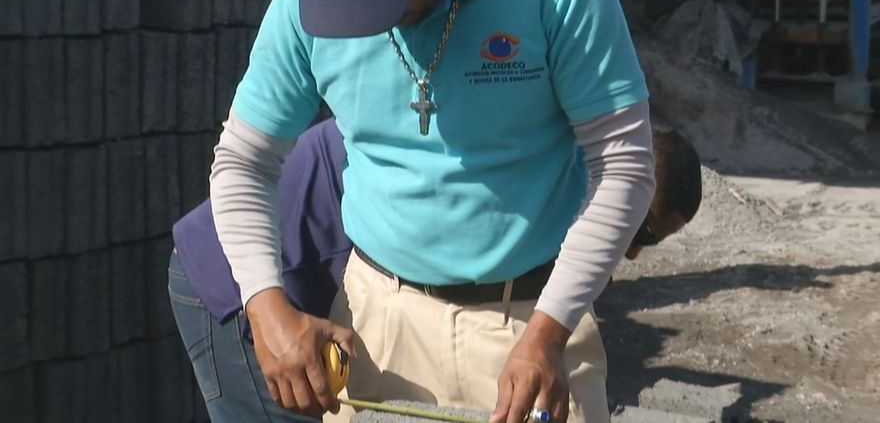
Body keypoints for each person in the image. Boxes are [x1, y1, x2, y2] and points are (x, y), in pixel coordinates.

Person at [208, 0, 658, 422]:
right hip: (376, 325)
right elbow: (243, 162)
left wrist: (549, 330)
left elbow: (624, 166)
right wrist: (263, 304)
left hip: (529, 325)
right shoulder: (306, 0)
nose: (364, 18)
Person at [170, 120, 702, 422]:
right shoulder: (524, 175)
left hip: (300, 277)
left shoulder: (543, 170)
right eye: (644, 231)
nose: (634, 254)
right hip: (231, 277)